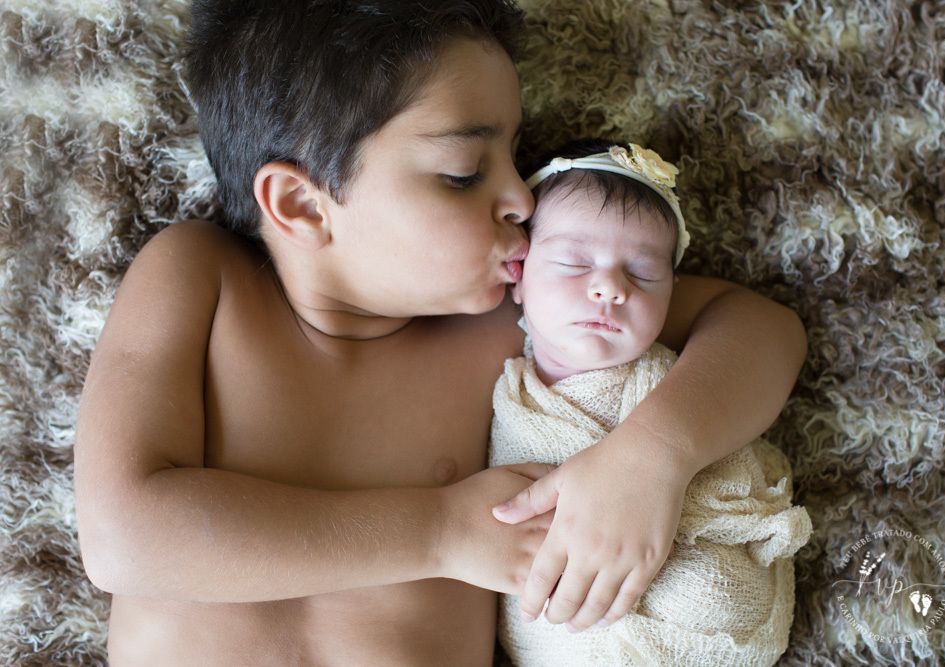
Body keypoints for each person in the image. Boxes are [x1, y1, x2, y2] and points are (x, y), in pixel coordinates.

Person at [72, 1, 807, 664]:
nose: (523, 196)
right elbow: (122, 536)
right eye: (463, 172)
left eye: (515, 158)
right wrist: (441, 532)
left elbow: (760, 329)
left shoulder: (511, 320)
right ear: (301, 203)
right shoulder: (201, 280)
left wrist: (653, 457)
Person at [488, 139, 813, 666]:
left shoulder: (681, 374)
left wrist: (656, 461)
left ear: (671, 292)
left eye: (642, 274)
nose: (610, 288)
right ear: (520, 274)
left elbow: (774, 333)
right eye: (573, 262)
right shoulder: (501, 375)